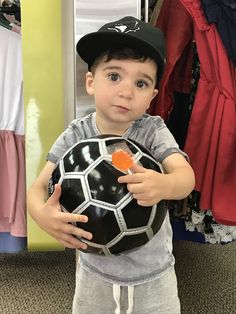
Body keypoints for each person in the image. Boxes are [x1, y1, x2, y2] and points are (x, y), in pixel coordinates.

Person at [27, 16, 195, 314]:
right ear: (91, 82)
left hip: (153, 275)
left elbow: (186, 178)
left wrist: (165, 184)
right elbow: (38, 188)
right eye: (114, 76)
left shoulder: (152, 131)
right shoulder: (77, 134)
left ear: (152, 97)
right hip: (94, 273)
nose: (126, 91)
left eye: (140, 83)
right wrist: (41, 214)